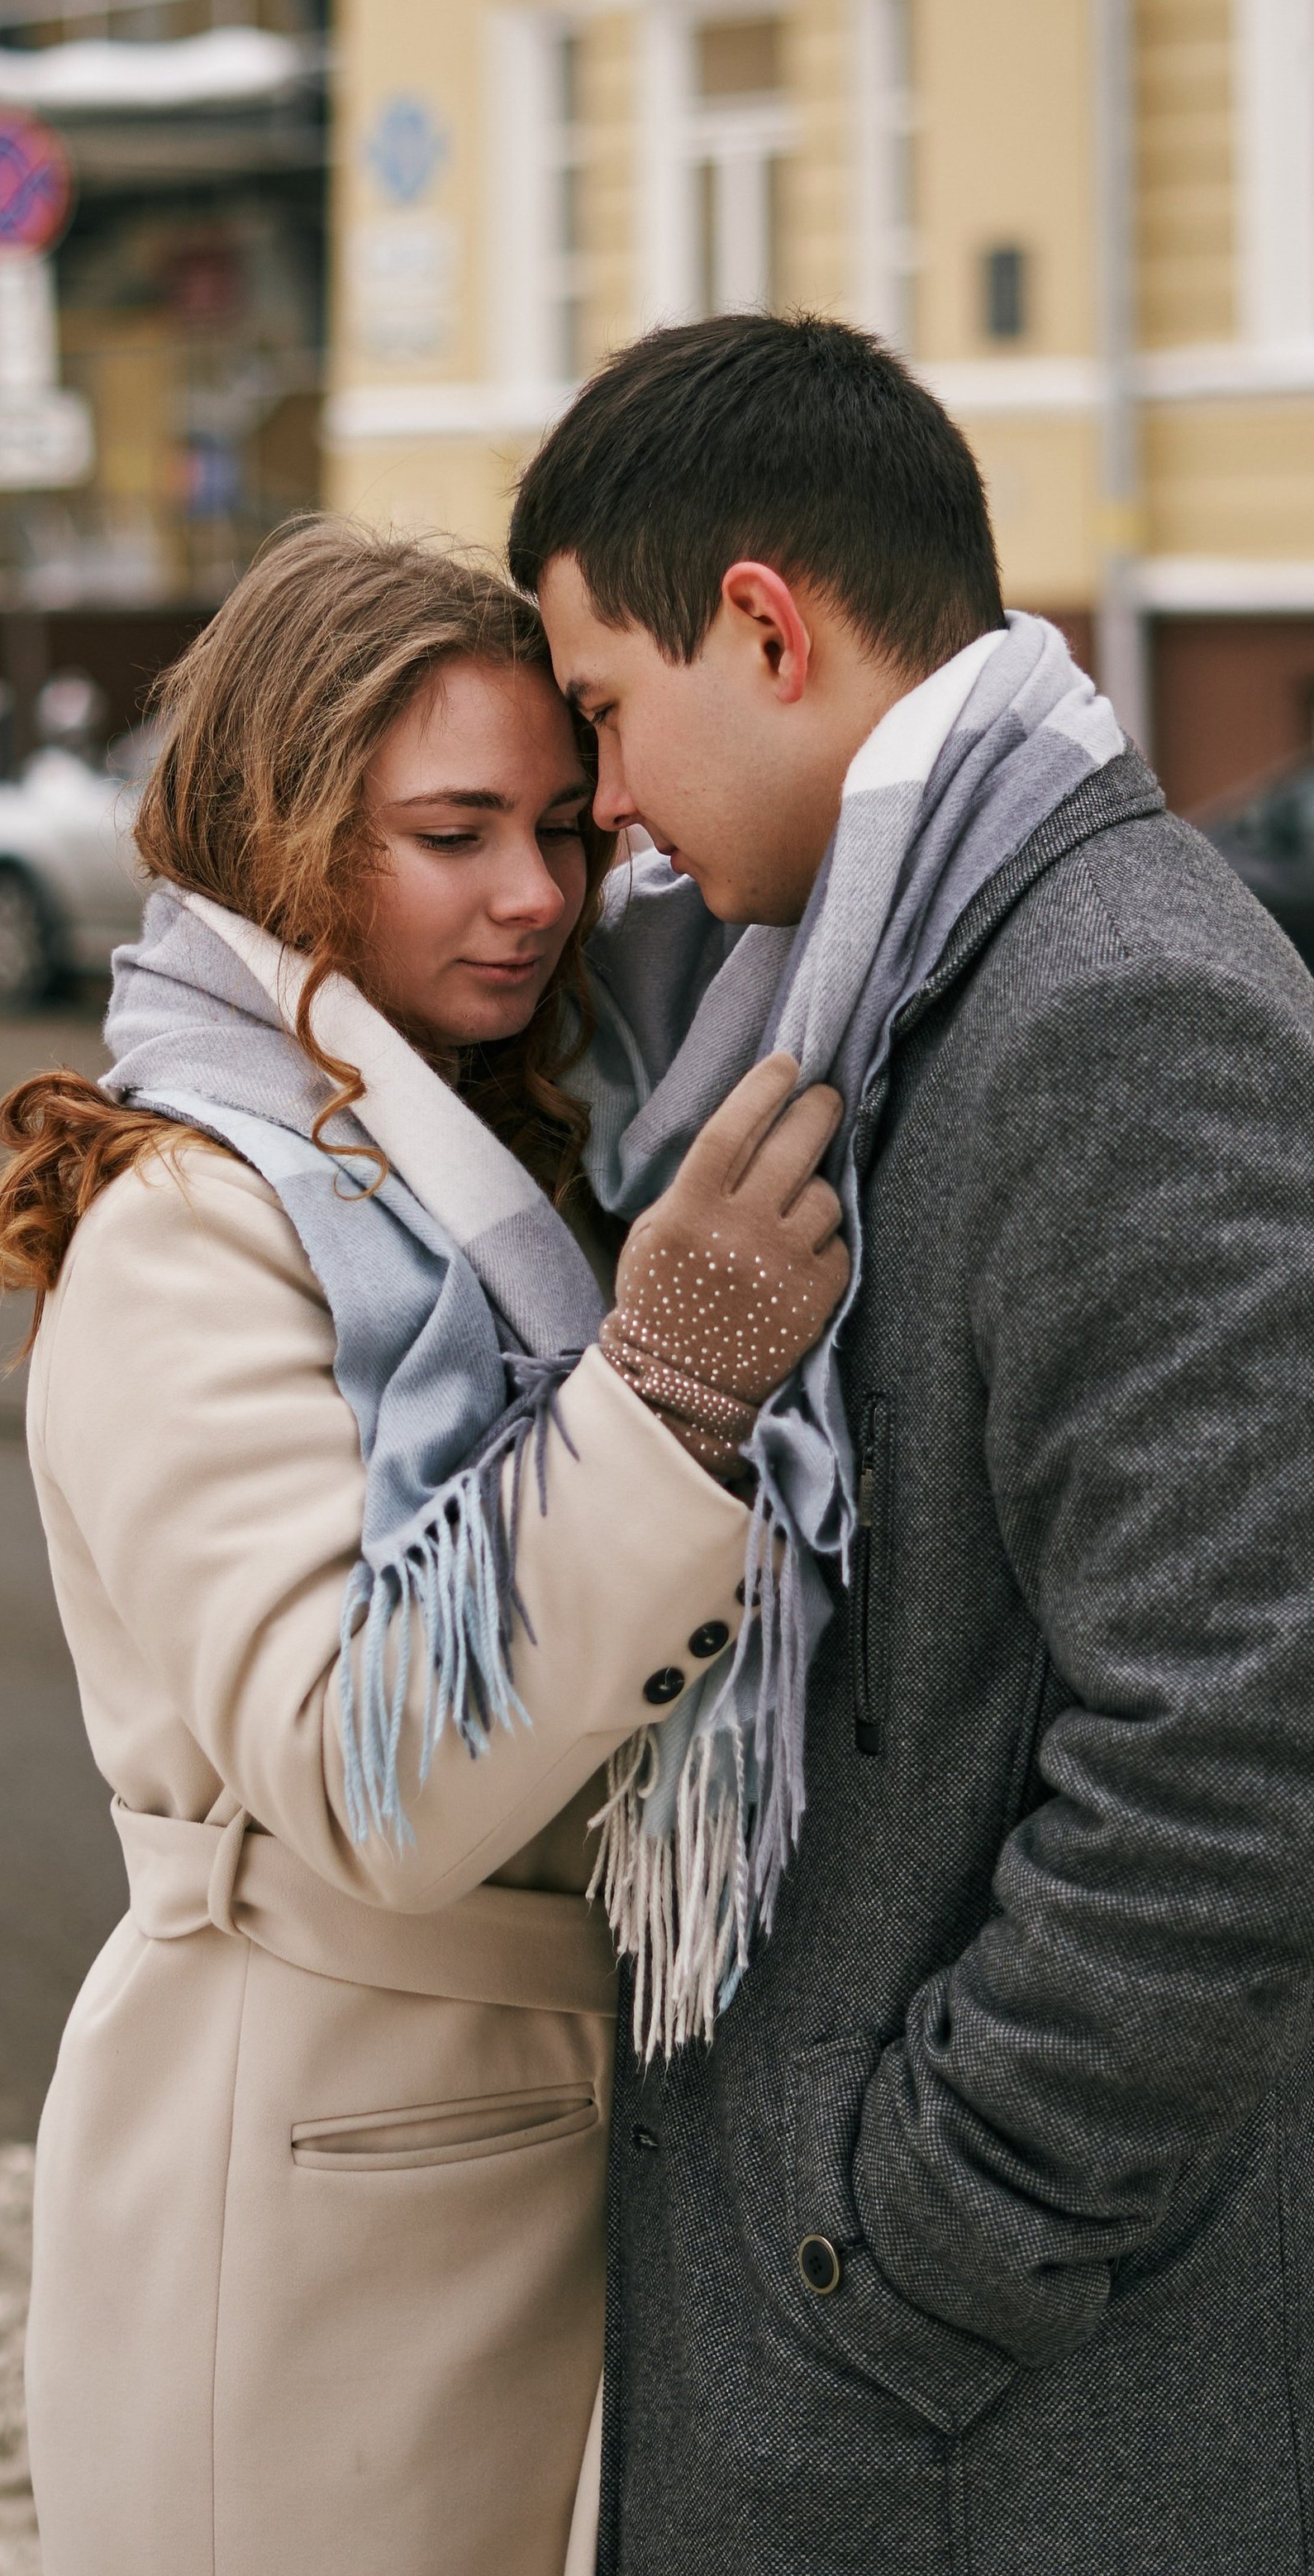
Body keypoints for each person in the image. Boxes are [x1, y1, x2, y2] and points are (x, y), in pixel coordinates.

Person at [508, 311, 1314, 2576]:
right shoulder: (889, 989)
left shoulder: (1119, 1008)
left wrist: (907, 2253)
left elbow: (1232, 1763)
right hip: (898, 2398)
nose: (609, 815)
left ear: (766, 626)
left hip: (1000, 2431)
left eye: (600, 712)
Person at [0, 526, 850, 2576]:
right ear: (280, 841)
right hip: (303, 2188)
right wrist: (670, 1391)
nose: (537, 894)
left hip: (519, 2141)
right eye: (450, 832)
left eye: (560, 824)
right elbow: (359, 1762)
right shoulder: (189, 1226)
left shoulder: (499, 1164)